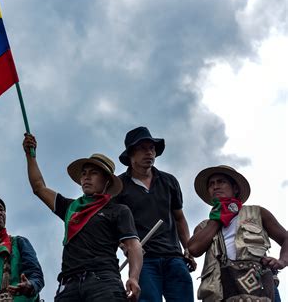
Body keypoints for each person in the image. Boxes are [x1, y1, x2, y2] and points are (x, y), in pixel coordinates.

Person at [23, 133, 143, 302]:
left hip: (103, 281)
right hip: (68, 285)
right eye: (84, 173)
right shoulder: (70, 208)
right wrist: (30, 155)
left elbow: (133, 246)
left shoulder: (118, 210)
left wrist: (134, 277)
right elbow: (39, 187)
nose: (86, 177)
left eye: (93, 173)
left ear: (107, 181)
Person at [114, 126, 196, 302]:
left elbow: (179, 218)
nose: (149, 153)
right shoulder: (118, 186)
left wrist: (188, 248)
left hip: (174, 257)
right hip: (144, 261)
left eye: (151, 148)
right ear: (130, 155)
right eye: (142, 149)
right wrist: (126, 247)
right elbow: (113, 227)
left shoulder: (169, 181)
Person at [188, 165, 287, 301]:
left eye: (221, 181)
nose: (215, 186)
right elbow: (193, 248)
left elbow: (286, 238)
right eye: (211, 184)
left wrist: (282, 261)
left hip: (260, 286)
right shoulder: (204, 226)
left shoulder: (256, 213)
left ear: (235, 188)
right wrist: (218, 218)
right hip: (222, 290)